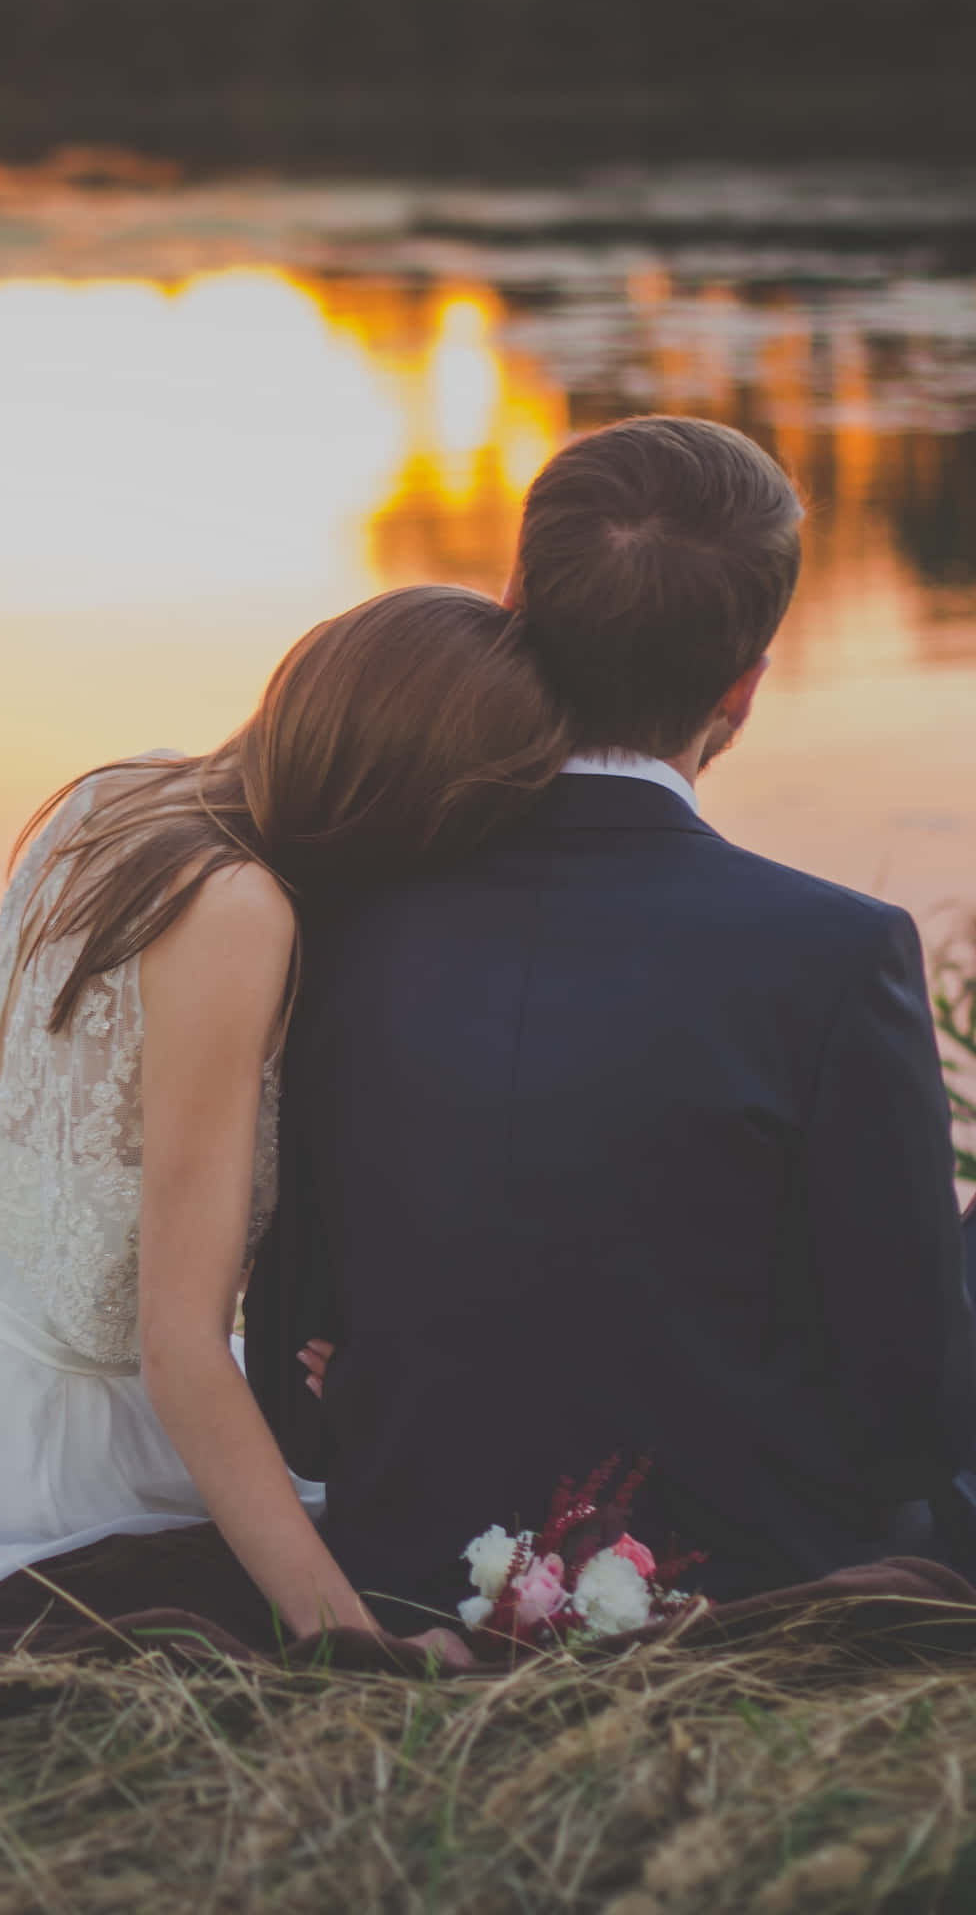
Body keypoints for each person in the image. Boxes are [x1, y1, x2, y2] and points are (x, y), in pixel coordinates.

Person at [248, 416, 976, 1630]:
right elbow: (904, 1408)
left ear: (515, 606)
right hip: (737, 1555)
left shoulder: (337, 918)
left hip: (406, 1541)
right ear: (747, 681)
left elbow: (289, 1356)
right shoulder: (838, 952)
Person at [0, 585, 567, 1656]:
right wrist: (350, 1644)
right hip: (36, 1441)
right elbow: (177, 1347)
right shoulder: (235, 911)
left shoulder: (122, 794)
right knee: (410, 1541)